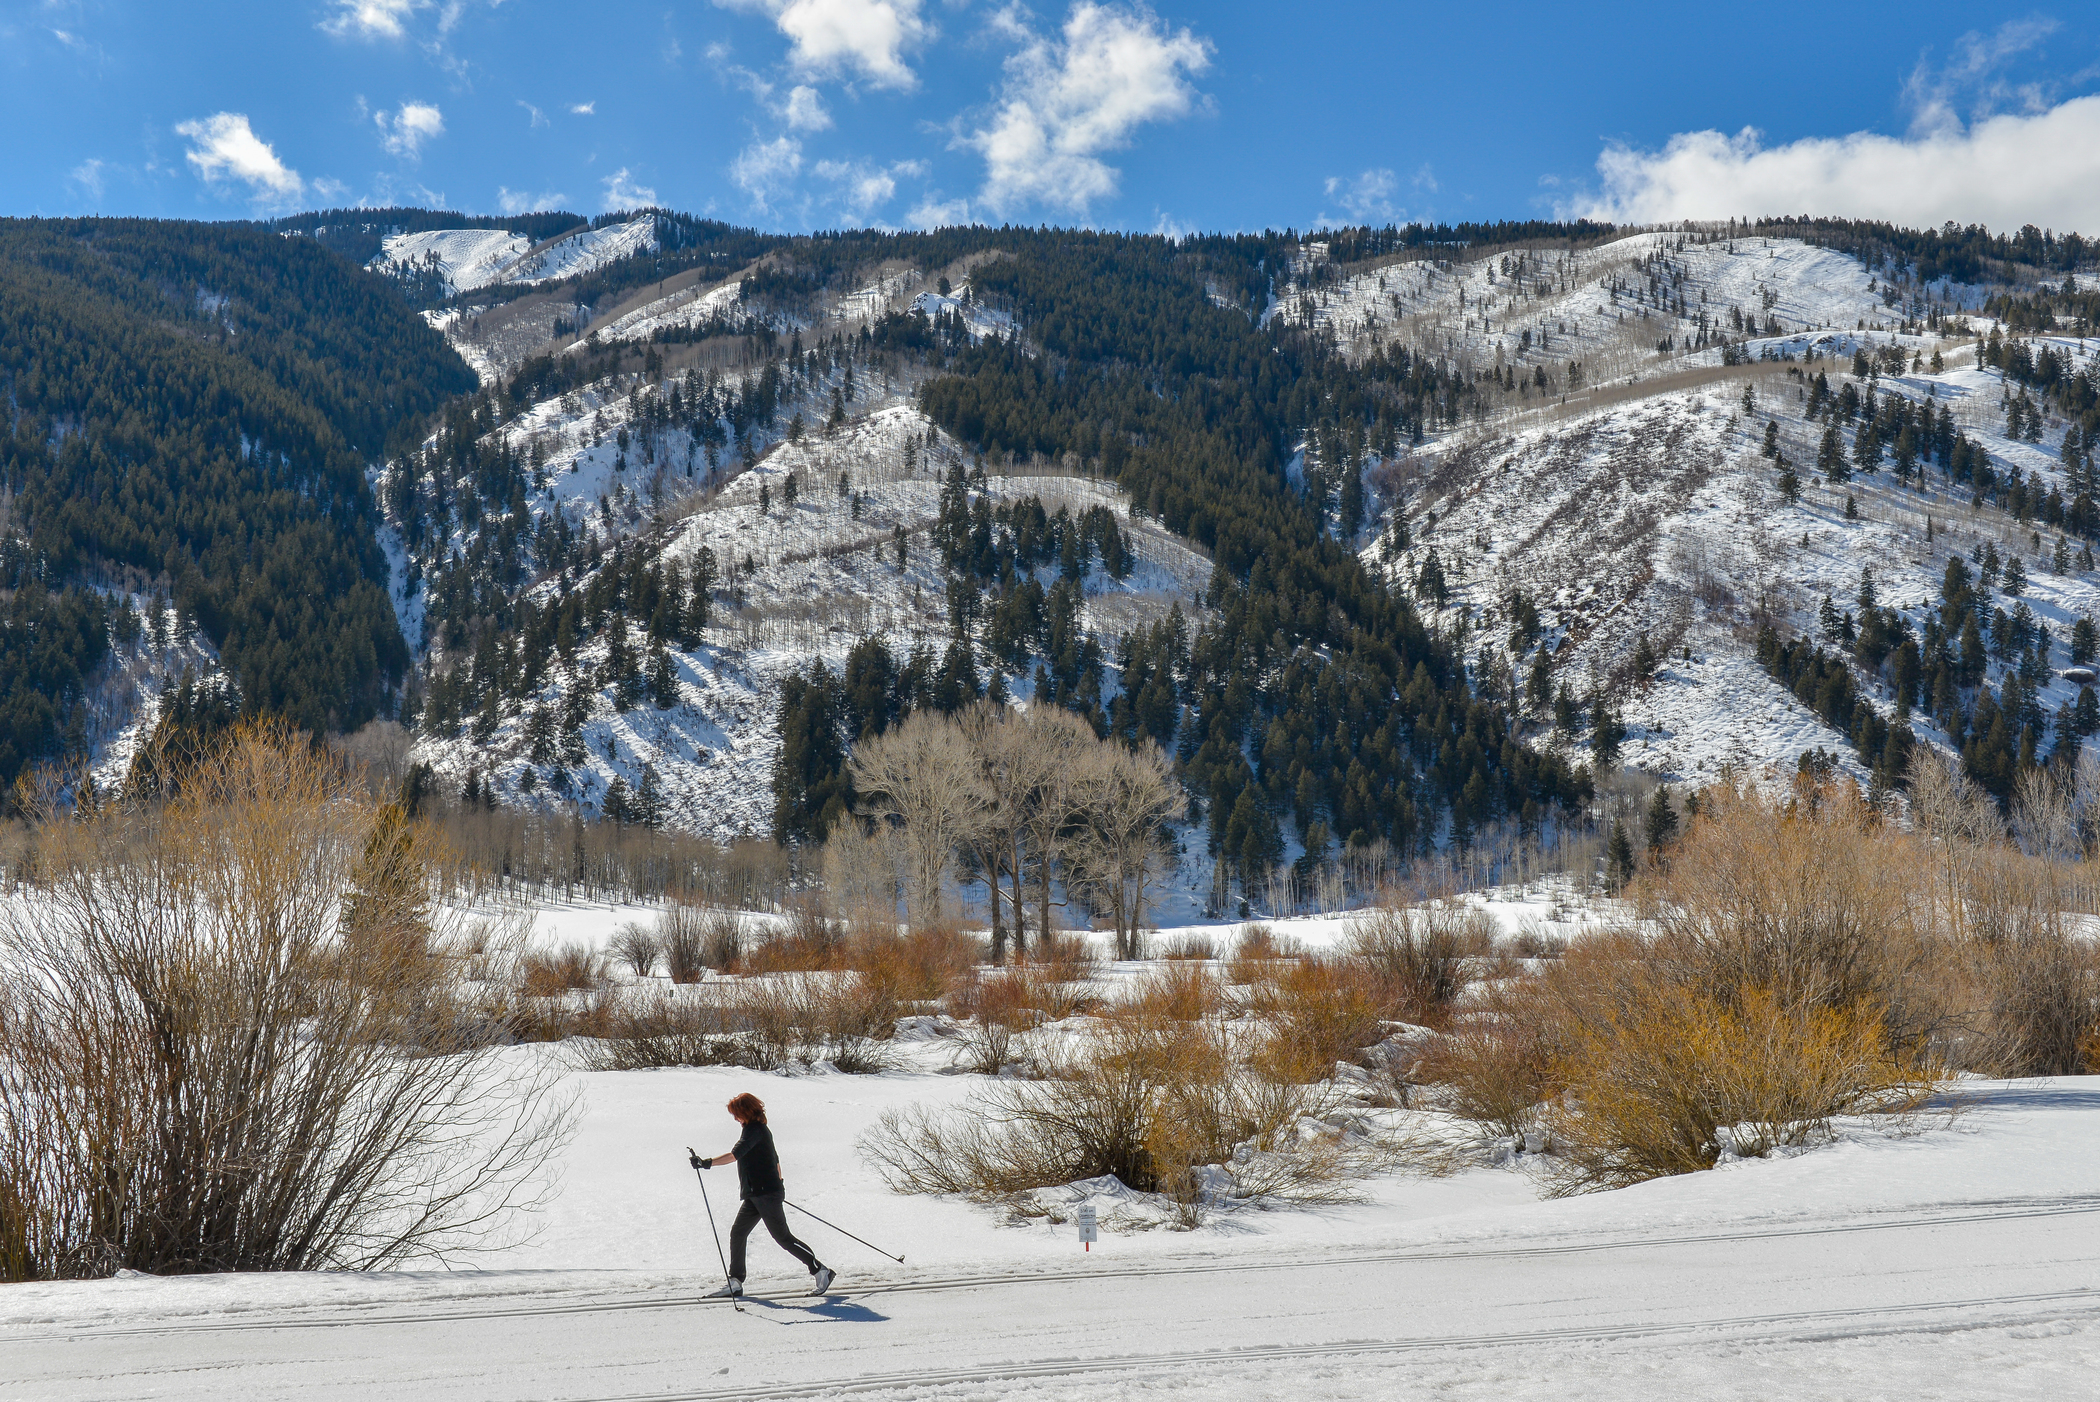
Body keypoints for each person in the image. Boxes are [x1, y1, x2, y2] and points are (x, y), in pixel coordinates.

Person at [692, 1092, 835, 1298]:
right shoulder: (756, 1131)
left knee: (783, 1238)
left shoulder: (755, 1131)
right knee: (738, 1233)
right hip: (756, 1195)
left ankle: (821, 1271)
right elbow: (776, 1162)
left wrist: (705, 1163)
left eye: (736, 1113)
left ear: (746, 1112)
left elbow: (734, 1155)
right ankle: (735, 1282)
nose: (735, 1118)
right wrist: (779, 1185)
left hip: (765, 1194)